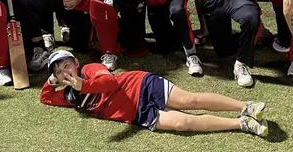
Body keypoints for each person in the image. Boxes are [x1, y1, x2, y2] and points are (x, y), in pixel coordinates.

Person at [40, 50, 268, 137]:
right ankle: (242, 124)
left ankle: (245, 106)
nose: (64, 72)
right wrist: (51, 81)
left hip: (141, 85)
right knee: (183, 124)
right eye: (59, 71)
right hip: (138, 113)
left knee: (190, 100)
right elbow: (46, 98)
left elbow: (108, 81)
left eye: (66, 65)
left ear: (75, 63)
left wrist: (83, 84)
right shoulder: (70, 96)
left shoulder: (89, 70)